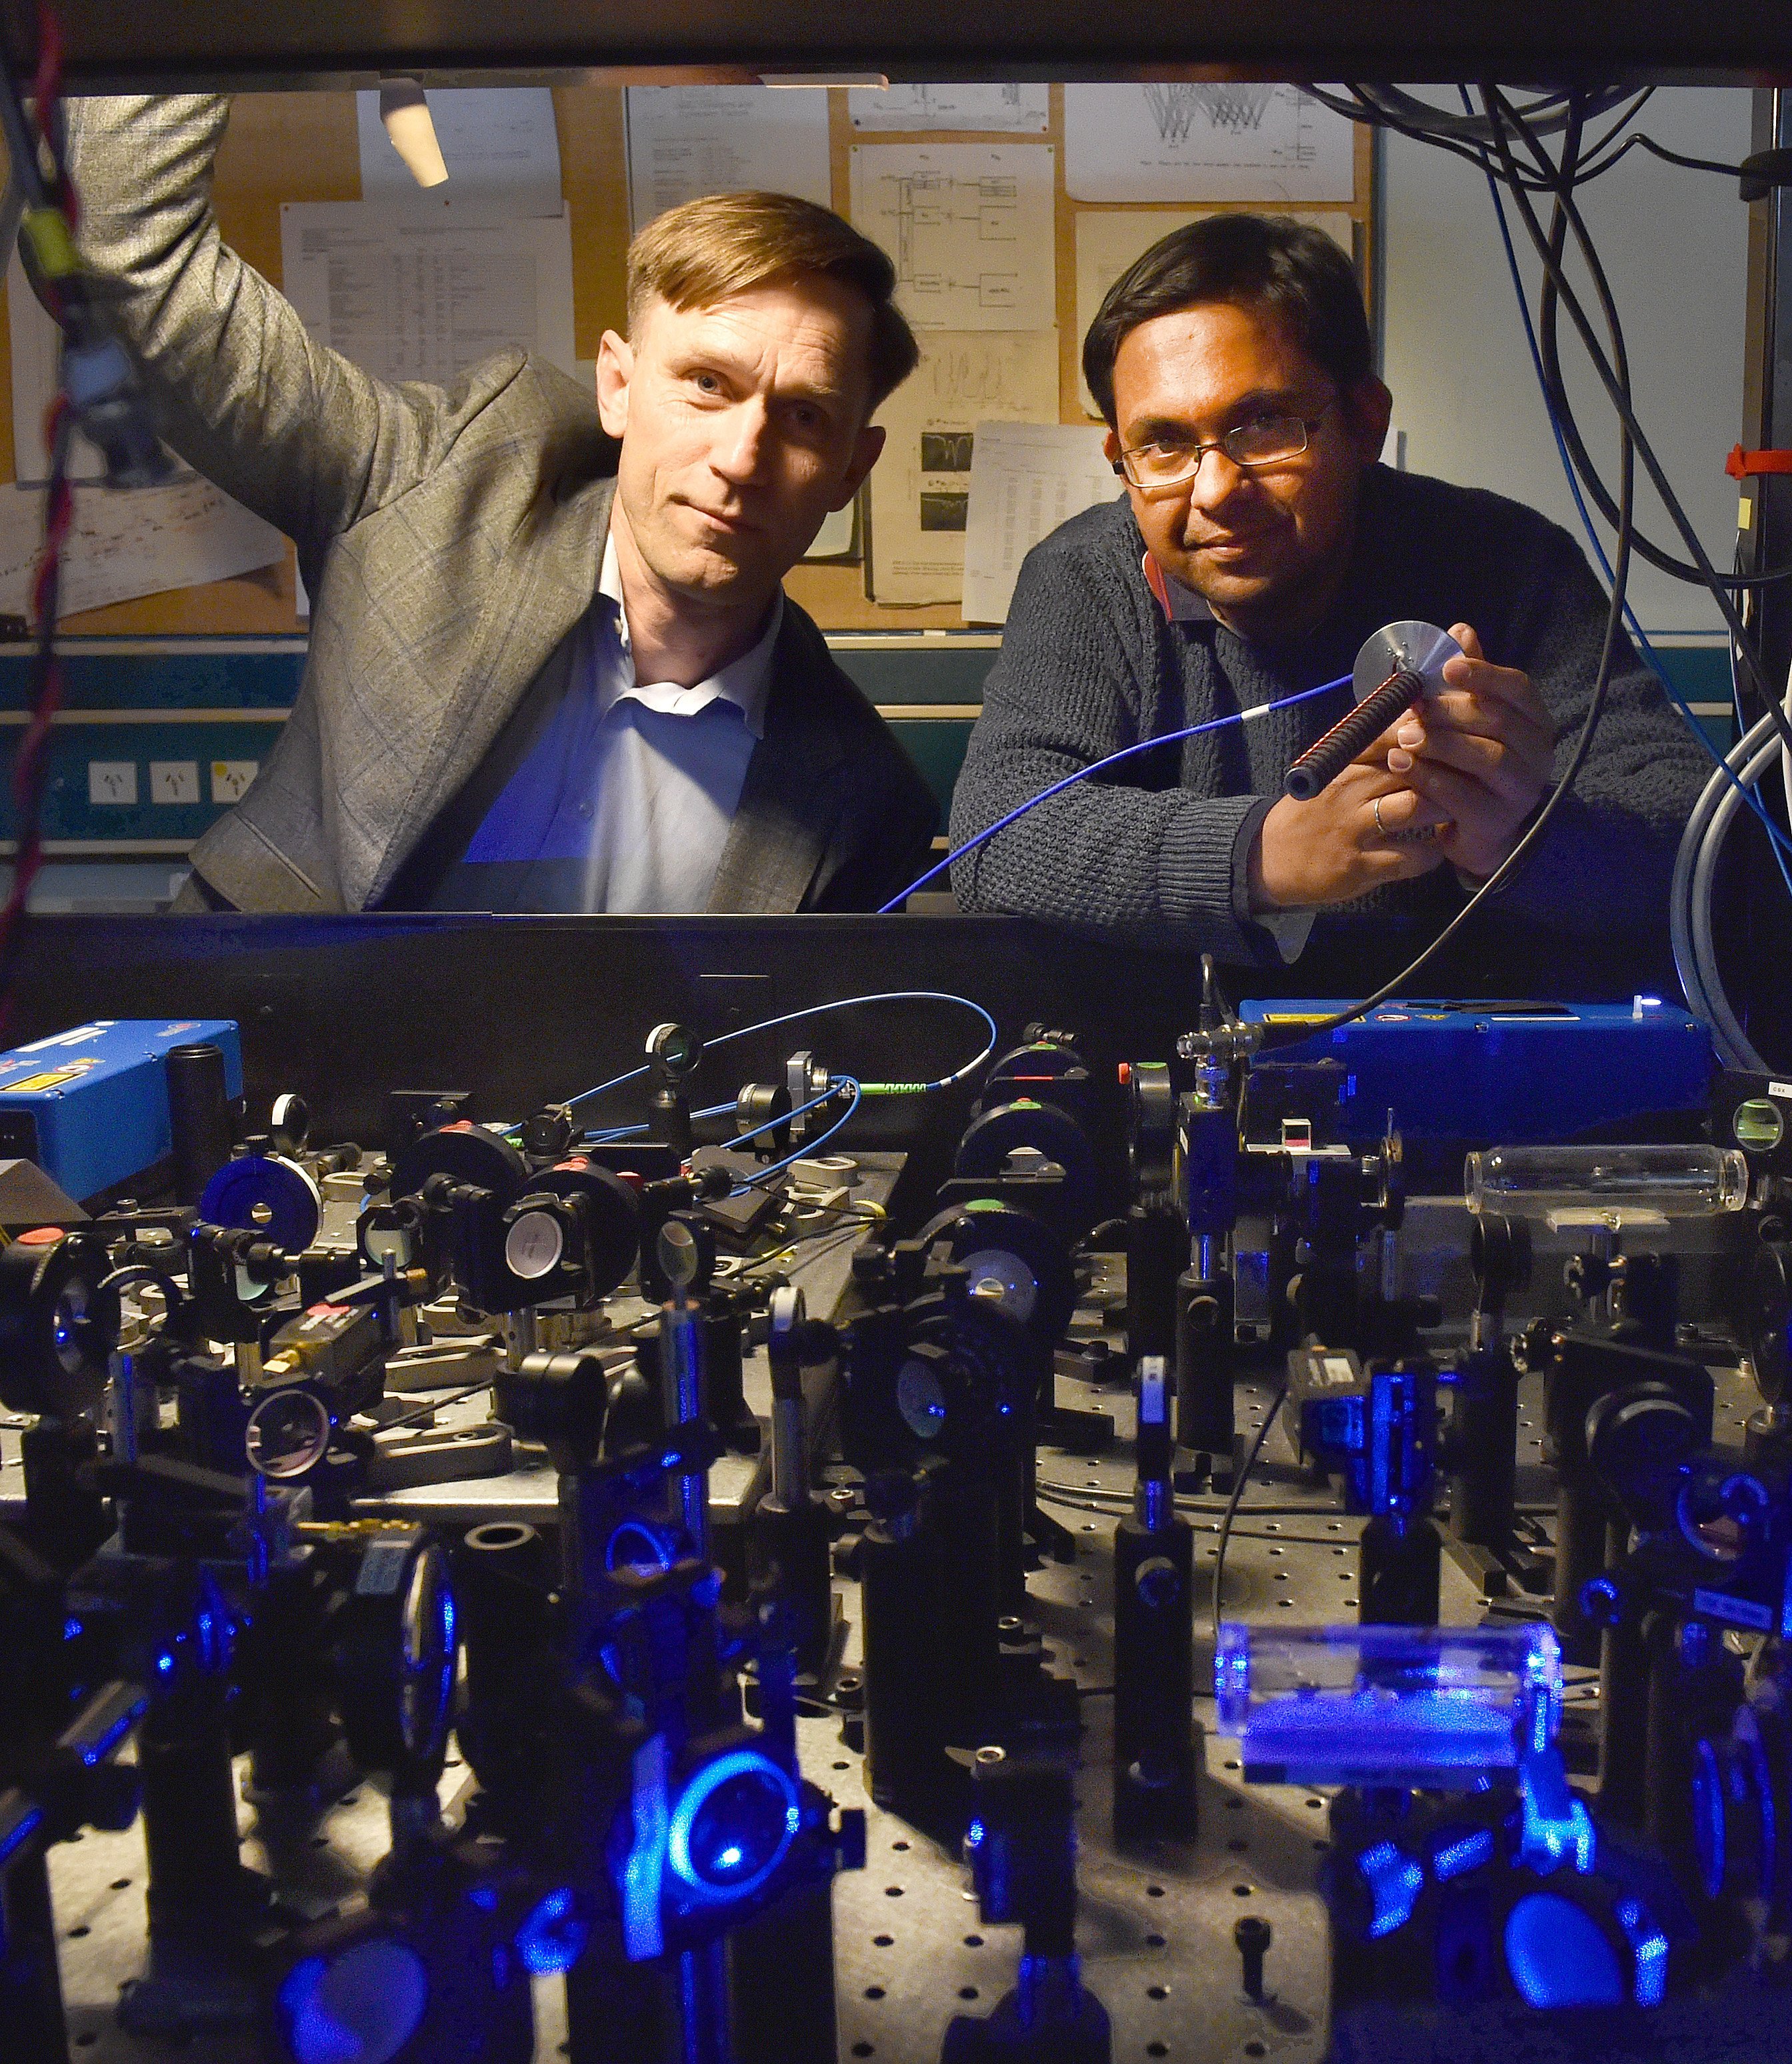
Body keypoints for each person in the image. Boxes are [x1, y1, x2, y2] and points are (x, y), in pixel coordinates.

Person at [60, 97, 939, 915]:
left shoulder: (865, 802)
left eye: (803, 418)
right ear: (619, 386)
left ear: (851, 470)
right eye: (707, 384)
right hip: (281, 1041)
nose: (741, 458)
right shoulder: (425, 482)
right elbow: (130, 259)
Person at [948, 213, 1706, 975]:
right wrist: (1266, 853)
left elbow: (1693, 842)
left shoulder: (1510, 563)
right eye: (1165, 443)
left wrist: (1515, 838)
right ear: (1120, 455)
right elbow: (995, 836)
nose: (1215, 491)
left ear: (1366, 422)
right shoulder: (1086, 575)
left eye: (1265, 426)